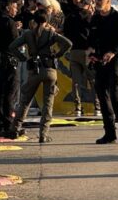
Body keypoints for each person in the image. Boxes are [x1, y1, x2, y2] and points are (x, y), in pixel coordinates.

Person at [8, 9, 73, 142]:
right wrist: (57, 54)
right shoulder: (51, 33)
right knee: (48, 104)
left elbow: (12, 47)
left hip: (34, 70)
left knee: (25, 101)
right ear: (47, 19)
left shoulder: (28, 34)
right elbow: (68, 43)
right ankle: (43, 134)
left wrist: (23, 58)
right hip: (49, 70)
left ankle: (15, 129)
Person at [87, 0, 118, 144]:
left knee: (115, 94)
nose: (97, 2)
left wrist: (113, 52)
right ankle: (109, 133)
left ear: (108, 0)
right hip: (100, 61)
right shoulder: (95, 19)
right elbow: (92, 39)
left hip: (115, 60)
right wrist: (92, 52)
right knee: (102, 94)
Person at [0, 0, 22, 136]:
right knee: (10, 93)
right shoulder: (9, 22)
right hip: (10, 60)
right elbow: (15, 43)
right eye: (14, 7)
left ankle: (1, 124)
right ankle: (8, 125)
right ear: (7, 7)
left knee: (0, 92)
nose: (16, 9)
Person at [64, 0, 100, 117]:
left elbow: (66, 32)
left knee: (76, 82)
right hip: (87, 51)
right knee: (93, 80)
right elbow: (94, 33)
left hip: (74, 50)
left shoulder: (70, 17)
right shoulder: (90, 17)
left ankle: (78, 108)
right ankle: (97, 107)